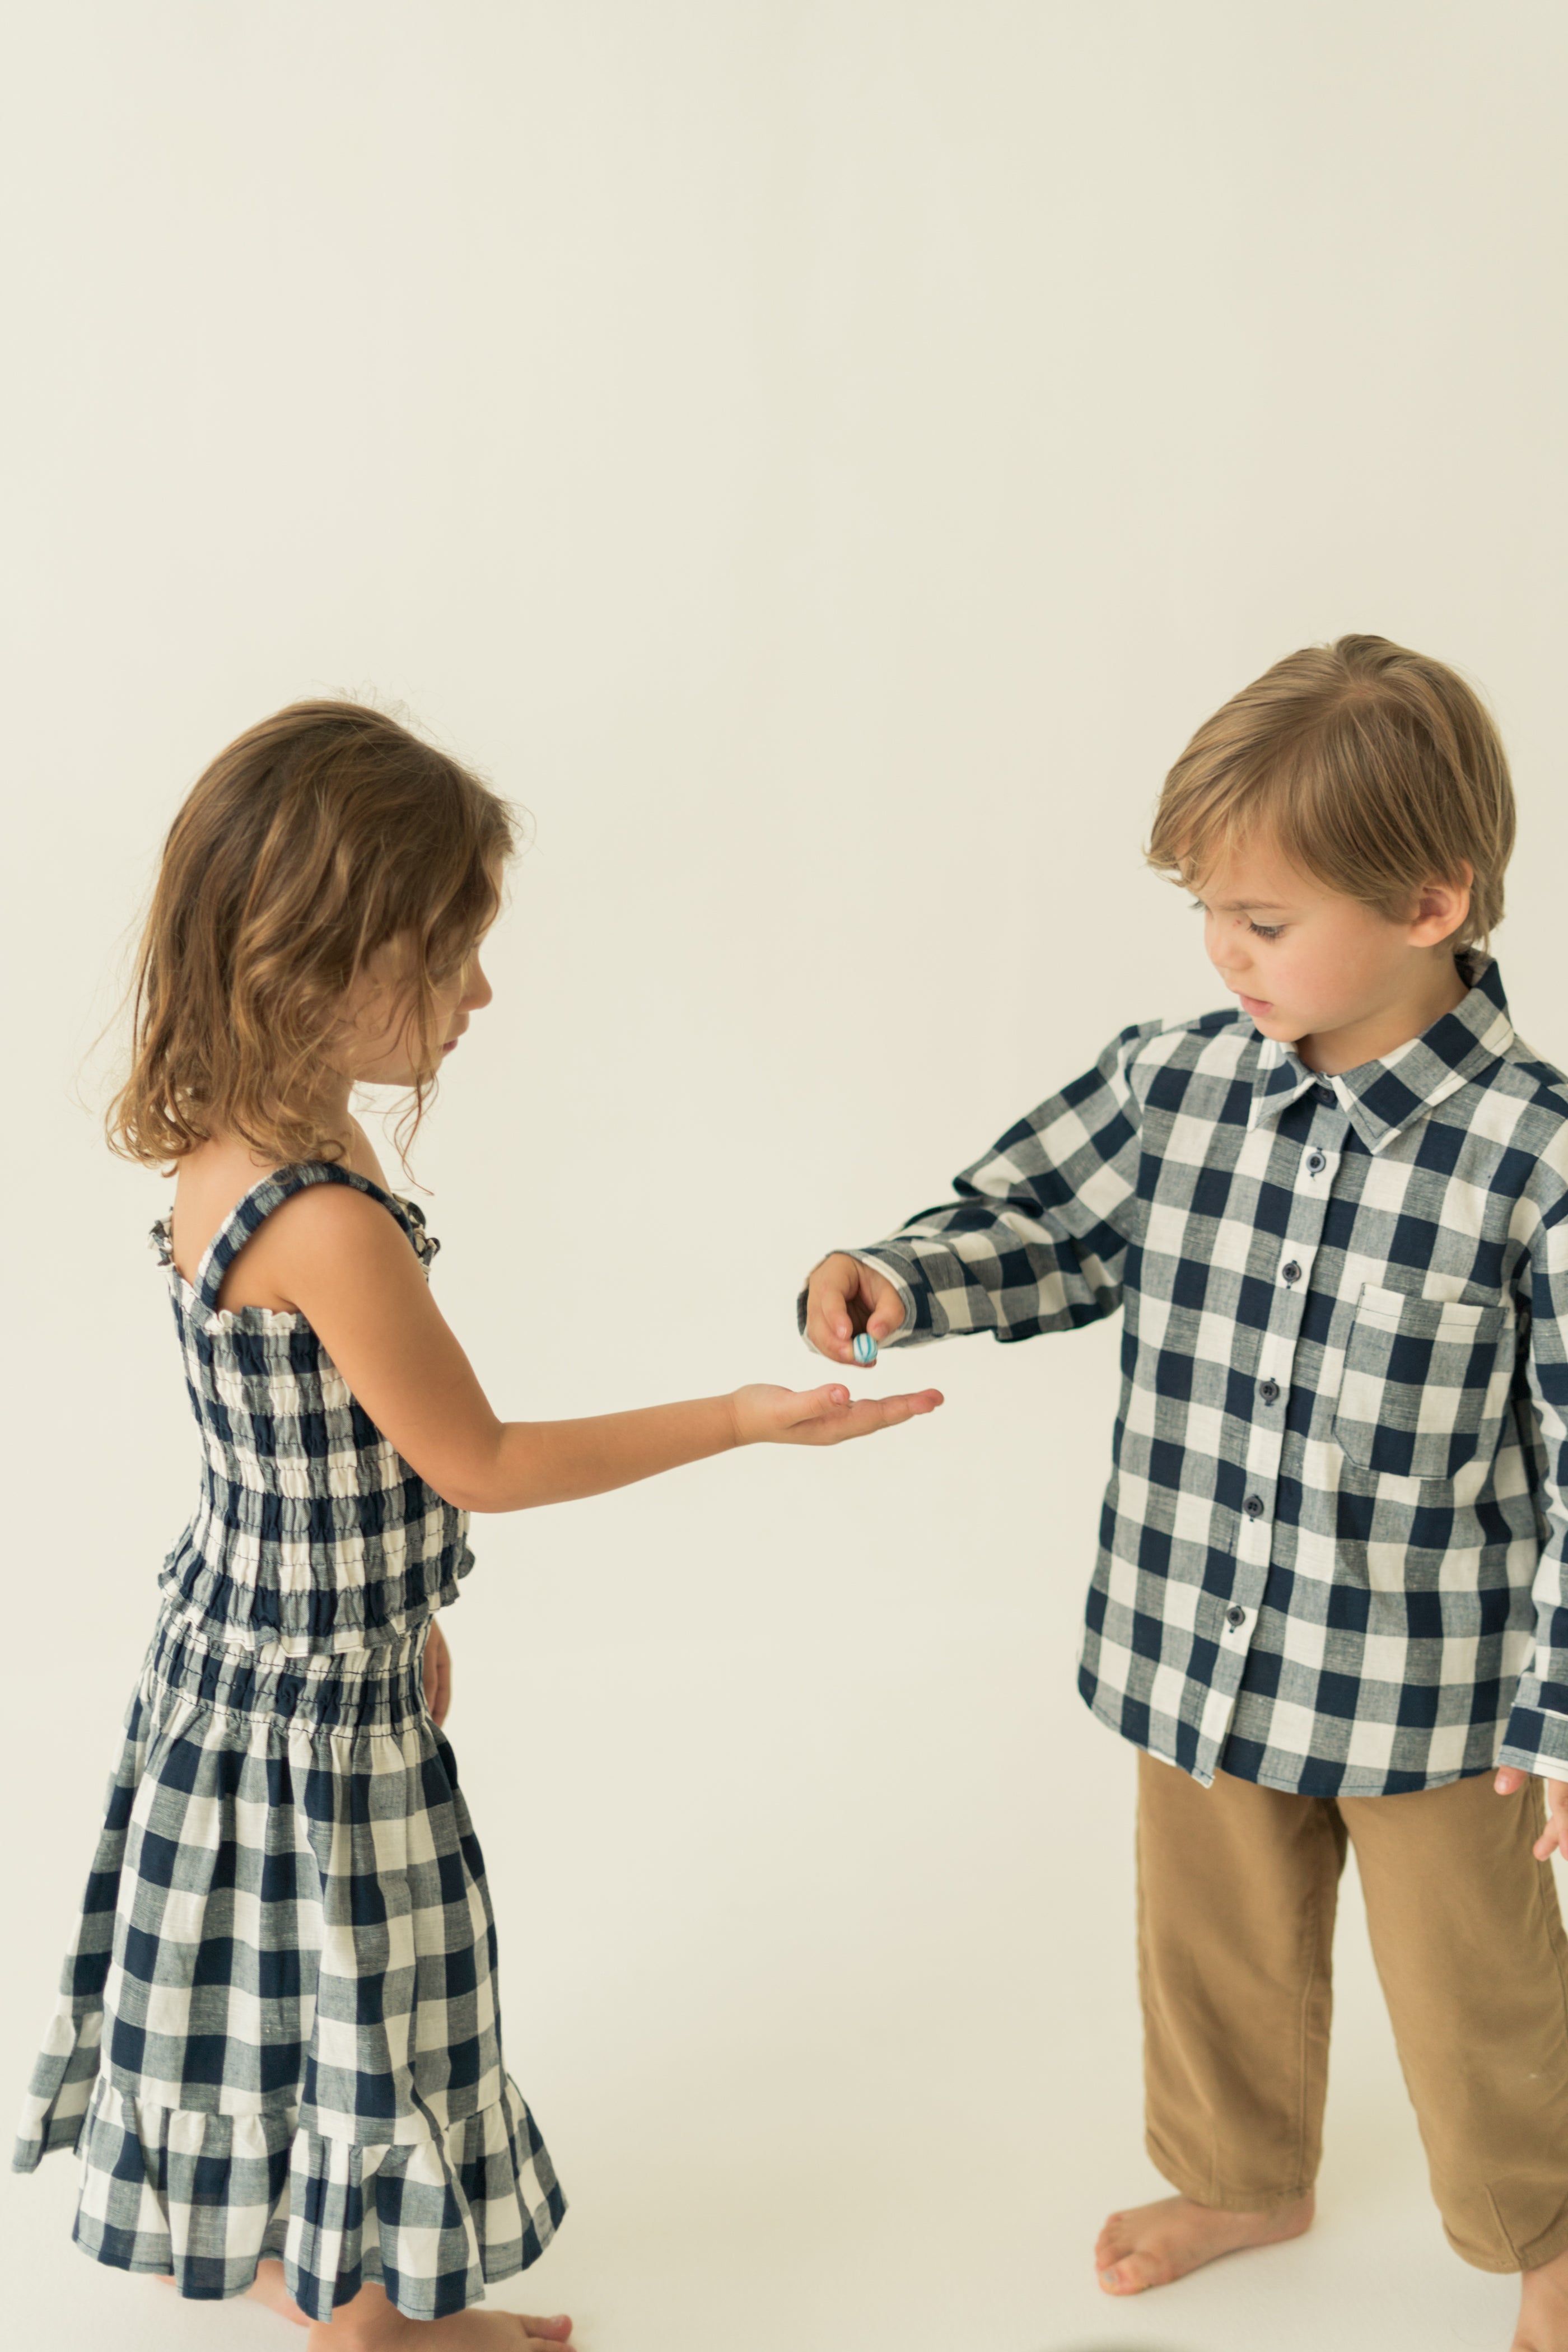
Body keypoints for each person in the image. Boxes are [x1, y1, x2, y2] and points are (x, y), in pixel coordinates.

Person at [14, 701, 944, 2351]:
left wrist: (405, 1613)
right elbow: (481, 1459)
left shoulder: (268, 1142)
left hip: (259, 1647)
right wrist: (741, 1419)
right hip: (299, 1698)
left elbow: (319, 1462)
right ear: (317, 958)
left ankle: (327, 2277)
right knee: (368, 1993)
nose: (481, 994)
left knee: (290, 1990)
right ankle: (375, 2327)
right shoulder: (319, 1215)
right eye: (448, 956)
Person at [801, 635, 1568, 2352]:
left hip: (1434, 1693)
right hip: (1196, 1636)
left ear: (1434, 901)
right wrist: (899, 1272)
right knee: (1212, 1941)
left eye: (1268, 920)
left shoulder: (1537, 1159)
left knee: (1481, 1996)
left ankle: (1548, 2229)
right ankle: (1242, 2171)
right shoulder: (1175, 1079)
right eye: (1209, 911)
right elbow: (1040, 1221)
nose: (1227, 951)